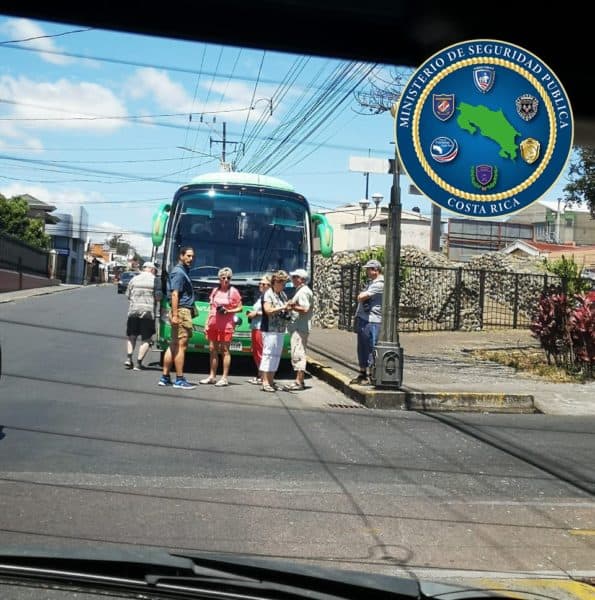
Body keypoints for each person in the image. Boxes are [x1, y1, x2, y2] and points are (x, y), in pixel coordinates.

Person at [159, 246, 197, 389]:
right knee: (181, 346)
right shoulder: (179, 273)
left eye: (192, 256)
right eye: (188, 256)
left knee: (173, 345)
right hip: (181, 311)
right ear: (181, 256)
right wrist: (175, 315)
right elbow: (175, 294)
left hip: (179, 310)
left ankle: (165, 377)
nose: (190, 259)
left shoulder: (181, 271)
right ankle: (179, 379)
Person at [200, 267, 243, 387]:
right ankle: (212, 376)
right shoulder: (215, 291)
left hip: (226, 325)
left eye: (228, 278)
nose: (226, 280)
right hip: (213, 324)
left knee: (225, 350)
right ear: (219, 279)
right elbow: (211, 309)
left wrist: (228, 310)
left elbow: (240, 307)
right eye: (223, 278)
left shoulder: (233, 291)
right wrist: (206, 324)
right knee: (212, 349)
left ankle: (224, 378)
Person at [350, 258, 384, 385]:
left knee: (371, 348)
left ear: (375, 270)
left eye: (368, 269)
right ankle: (362, 373)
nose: (367, 272)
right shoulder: (371, 283)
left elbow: (361, 297)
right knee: (362, 348)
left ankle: (371, 375)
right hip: (364, 319)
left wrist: (361, 295)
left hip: (373, 321)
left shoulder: (380, 284)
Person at [124, 261, 161, 370]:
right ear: (152, 269)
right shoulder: (156, 280)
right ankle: (138, 363)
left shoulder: (134, 279)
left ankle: (129, 359)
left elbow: (128, 295)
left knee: (132, 336)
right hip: (148, 313)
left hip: (133, 311)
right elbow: (158, 297)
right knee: (146, 339)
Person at [260, 269, 291, 392]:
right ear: (275, 282)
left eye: (284, 283)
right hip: (270, 329)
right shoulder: (268, 294)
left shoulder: (282, 295)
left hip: (280, 329)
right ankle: (265, 381)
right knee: (268, 354)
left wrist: (288, 307)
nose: (283, 285)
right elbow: (268, 310)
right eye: (281, 283)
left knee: (276, 355)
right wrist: (283, 307)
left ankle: (271, 380)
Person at [284, 269, 313, 390]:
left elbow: (305, 309)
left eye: (295, 277)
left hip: (300, 328)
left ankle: (299, 382)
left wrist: (292, 306)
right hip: (298, 327)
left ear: (301, 279)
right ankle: (298, 381)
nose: (293, 279)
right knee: (297, 352)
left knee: (298, 353)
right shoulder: (301, 291)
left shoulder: (303, 292)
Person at [246, 275, 271, 385]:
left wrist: (256, 313)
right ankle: (260, 374)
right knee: (256, 352)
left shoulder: (269, 297)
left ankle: (263, 376)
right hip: (255, 326)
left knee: (261, 352)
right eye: (260, 283)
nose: (261, 285)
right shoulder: (262, 296)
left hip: (262, 327)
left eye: (264, 284)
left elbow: (270, 311)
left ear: (270, 286)